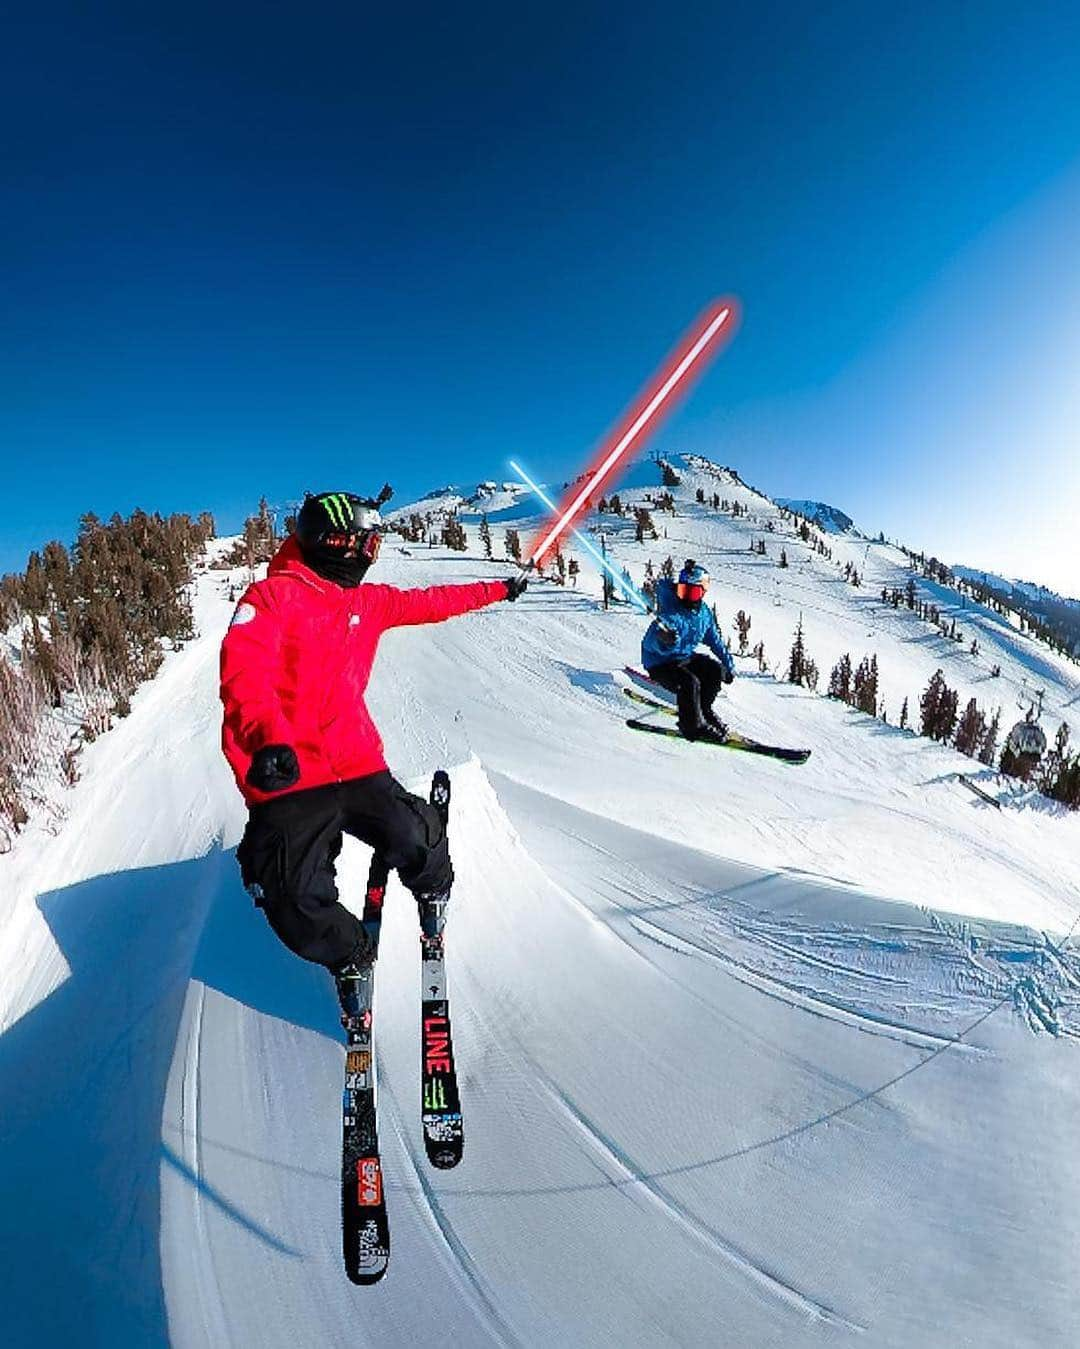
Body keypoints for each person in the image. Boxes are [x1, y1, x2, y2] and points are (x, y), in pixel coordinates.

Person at [219, 488, 527, 1014]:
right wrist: (268, 738)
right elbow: (244, 672)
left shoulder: (366, 603)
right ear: (331, 541)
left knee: (414, 833)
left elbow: (433, 603)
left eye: (373, 546)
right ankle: (350, 954)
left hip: (355, 760)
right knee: (293, 901)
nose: (367, 555)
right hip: (290, 773)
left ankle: (433, 889)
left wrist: (499, 588)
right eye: (361, 543)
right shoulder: (271, 597)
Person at [641, 560, 734, 740]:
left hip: (683, 658)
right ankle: (692, 727)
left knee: (714, 670)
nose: (686, 597)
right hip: (660, 664)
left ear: (703, 592)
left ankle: (703, 711)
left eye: (693, 592)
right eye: (683, 591)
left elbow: (715, 640)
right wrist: (663, 642)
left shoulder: (703, 614)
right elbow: (648, 643)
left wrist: (728, 665)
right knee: (689, 682)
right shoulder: (671, 614)